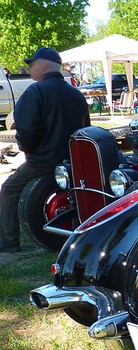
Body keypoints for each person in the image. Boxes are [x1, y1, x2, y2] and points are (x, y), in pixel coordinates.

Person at [0, 47, 90, 253]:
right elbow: (86, 130)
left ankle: (8, 241)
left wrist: (27, 150)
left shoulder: (36, 91)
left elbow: (26, 129)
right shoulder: (76, 94)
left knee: (9, 188)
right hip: (71, 162)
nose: (28, 69)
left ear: (43, 66)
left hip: (44, 161)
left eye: (31, 65)